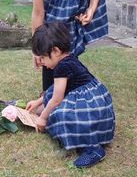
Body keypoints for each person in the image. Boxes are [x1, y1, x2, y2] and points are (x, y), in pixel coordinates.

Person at [26, 21, 115, 168]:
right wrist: (38, 102)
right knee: (50, 96)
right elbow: (55, 92)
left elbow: (56, 99)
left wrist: (42, 118)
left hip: (90, 106)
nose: (41, 62)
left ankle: (93, 149)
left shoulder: (62, 66)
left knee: (61, 115)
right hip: (93, 101)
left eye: (42, 58)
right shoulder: (68, 59)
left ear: (55, 51)